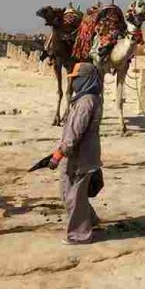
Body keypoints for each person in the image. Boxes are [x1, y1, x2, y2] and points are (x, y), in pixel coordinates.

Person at [48, 62, 103, 245]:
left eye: (77, 79)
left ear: (86, 80)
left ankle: (80, 234)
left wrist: (60, 153)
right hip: (85, 155)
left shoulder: (86, 102)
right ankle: (90, 220)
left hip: (80, 157)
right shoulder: (90, 98)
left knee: (73, 196)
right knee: (70, 193)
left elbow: (75, 132)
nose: (74, 83)